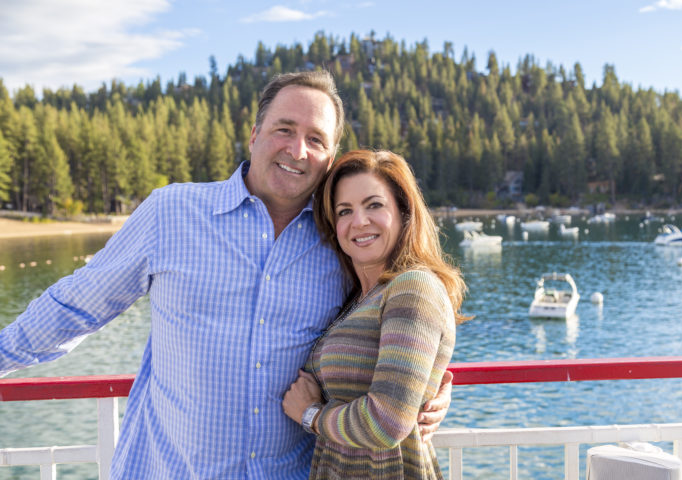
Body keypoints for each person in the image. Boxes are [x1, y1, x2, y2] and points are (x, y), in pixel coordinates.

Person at [0, 71, 451, 479]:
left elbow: (389, 331)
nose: (298, 150)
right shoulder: (172, 212)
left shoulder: (341, 243)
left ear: (330, 157)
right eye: (284, 130)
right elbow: (74, 306)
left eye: (316, 139)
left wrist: (432, 392)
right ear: (254, 135)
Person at [282, 149, 468, 479]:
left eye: (374, 205)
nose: (359, 221)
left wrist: (311, 415)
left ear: (403, 211)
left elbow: (386, 424)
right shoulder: (357, 299)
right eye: (344, 211)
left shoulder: (413, 287)